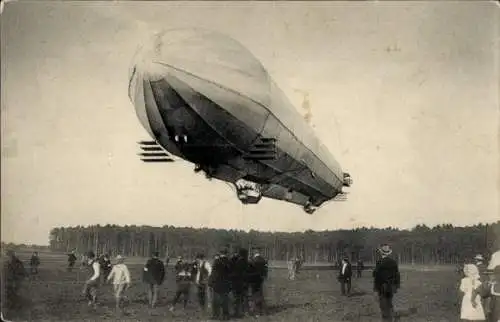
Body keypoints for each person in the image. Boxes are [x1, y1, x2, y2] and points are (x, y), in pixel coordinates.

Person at [373, 244, 401, 321]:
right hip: (391, 287)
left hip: (382, 287)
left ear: (381, 253)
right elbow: (397, 275)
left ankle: (386, 319)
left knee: (383, 305)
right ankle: (392, 317)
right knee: (389, 303)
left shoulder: (379, 262)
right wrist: (396, 286)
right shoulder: (393, 262)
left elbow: (376, 275)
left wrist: (376, 288)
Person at [209, 248, 232, 320]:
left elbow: (214, 273)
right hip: (226, 283)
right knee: (225, 300)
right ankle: (226, 315)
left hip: (217, 283)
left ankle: (216, 315)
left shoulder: (217, 261)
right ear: (226, 253)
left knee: (215, 300)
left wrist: (210, 282)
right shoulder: (229, 261)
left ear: (220, 253)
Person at [247, 249, 268, 316]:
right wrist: (264, 277)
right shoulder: (263, 260)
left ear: (254, 252)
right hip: (260, 280)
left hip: (254, 280)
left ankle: (256, 311)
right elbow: (265, 270)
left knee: (254, 295)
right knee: (260, 294)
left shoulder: (252, 261)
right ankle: (262, 310)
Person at [231, 248, 250, 318]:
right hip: (245, 283)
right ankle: (246, 312)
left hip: (238, 283)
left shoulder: (239, 262)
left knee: (237, 298)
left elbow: (236, 273)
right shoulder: (247, 262)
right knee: (244, 298)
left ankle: (237, 312)